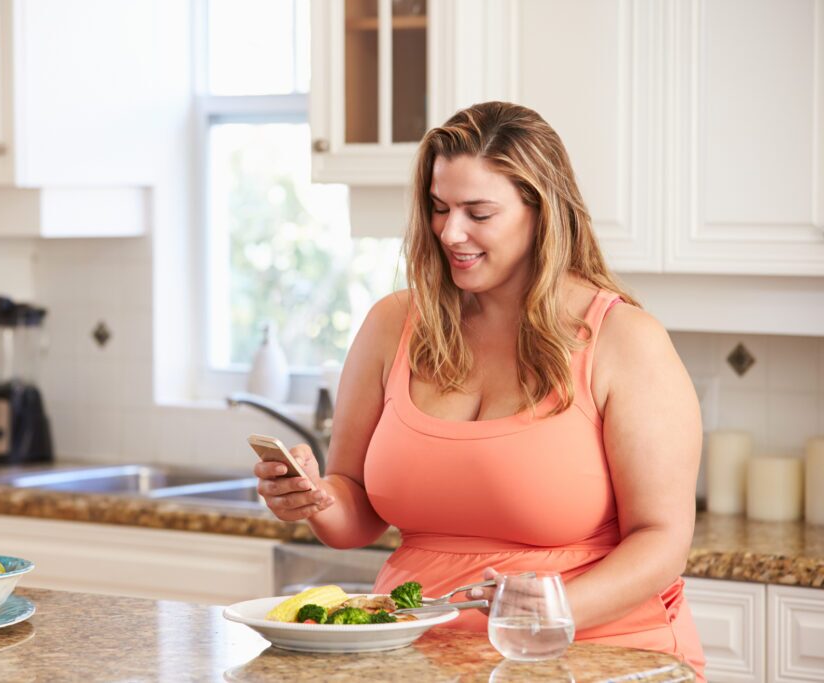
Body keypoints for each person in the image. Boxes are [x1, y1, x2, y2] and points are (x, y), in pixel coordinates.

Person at [253, 101, 705, 677]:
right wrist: (314, 498)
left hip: (598, 654)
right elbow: (357, 511)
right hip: (420, 659)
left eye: (478, 212)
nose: (450, 231)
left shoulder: (623, 340)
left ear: (542, 211)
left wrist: (550, 607)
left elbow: (663, 539)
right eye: (439, 208)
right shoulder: (393, 326)